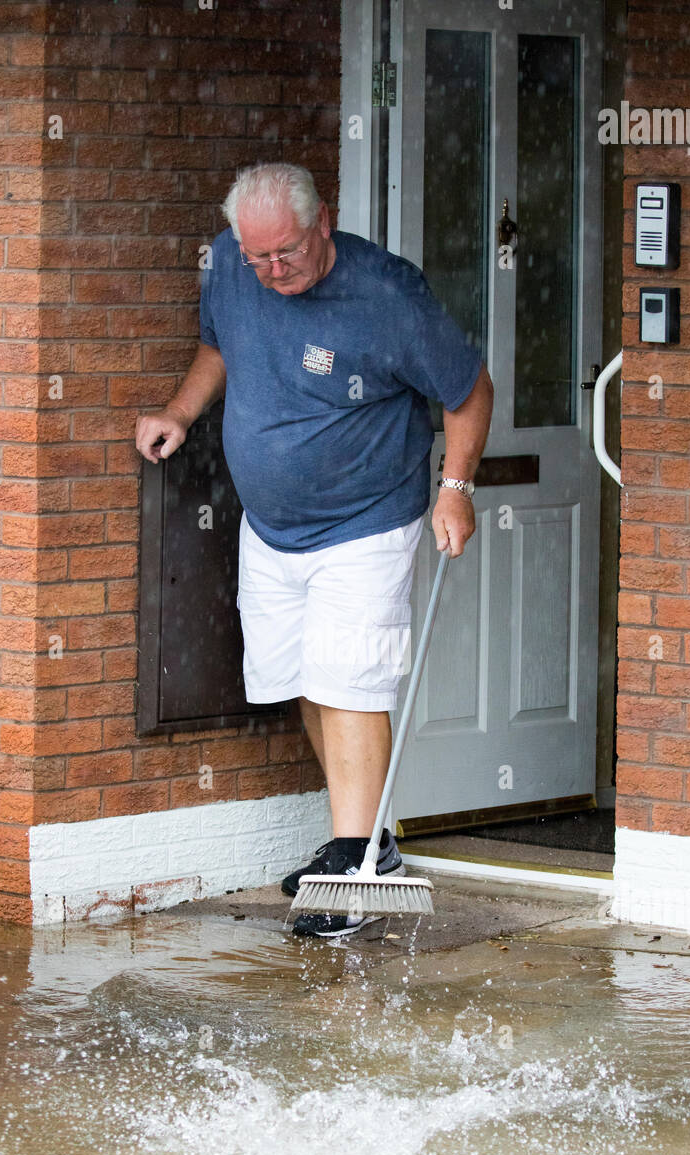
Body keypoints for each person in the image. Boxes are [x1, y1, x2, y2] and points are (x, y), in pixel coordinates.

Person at [135, 162, 494, 938]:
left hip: (365, 522)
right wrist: (180, 411)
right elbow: (218, 346)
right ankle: (362, 844)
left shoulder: (387, 296)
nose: (269, 270)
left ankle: (354, 870)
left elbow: (468, 390)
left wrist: (455, 488)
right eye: (256, 255)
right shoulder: (232, 267)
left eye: (285, 254)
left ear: (322, 221)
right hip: (271, 530)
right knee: (304, 677)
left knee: (352, 682)